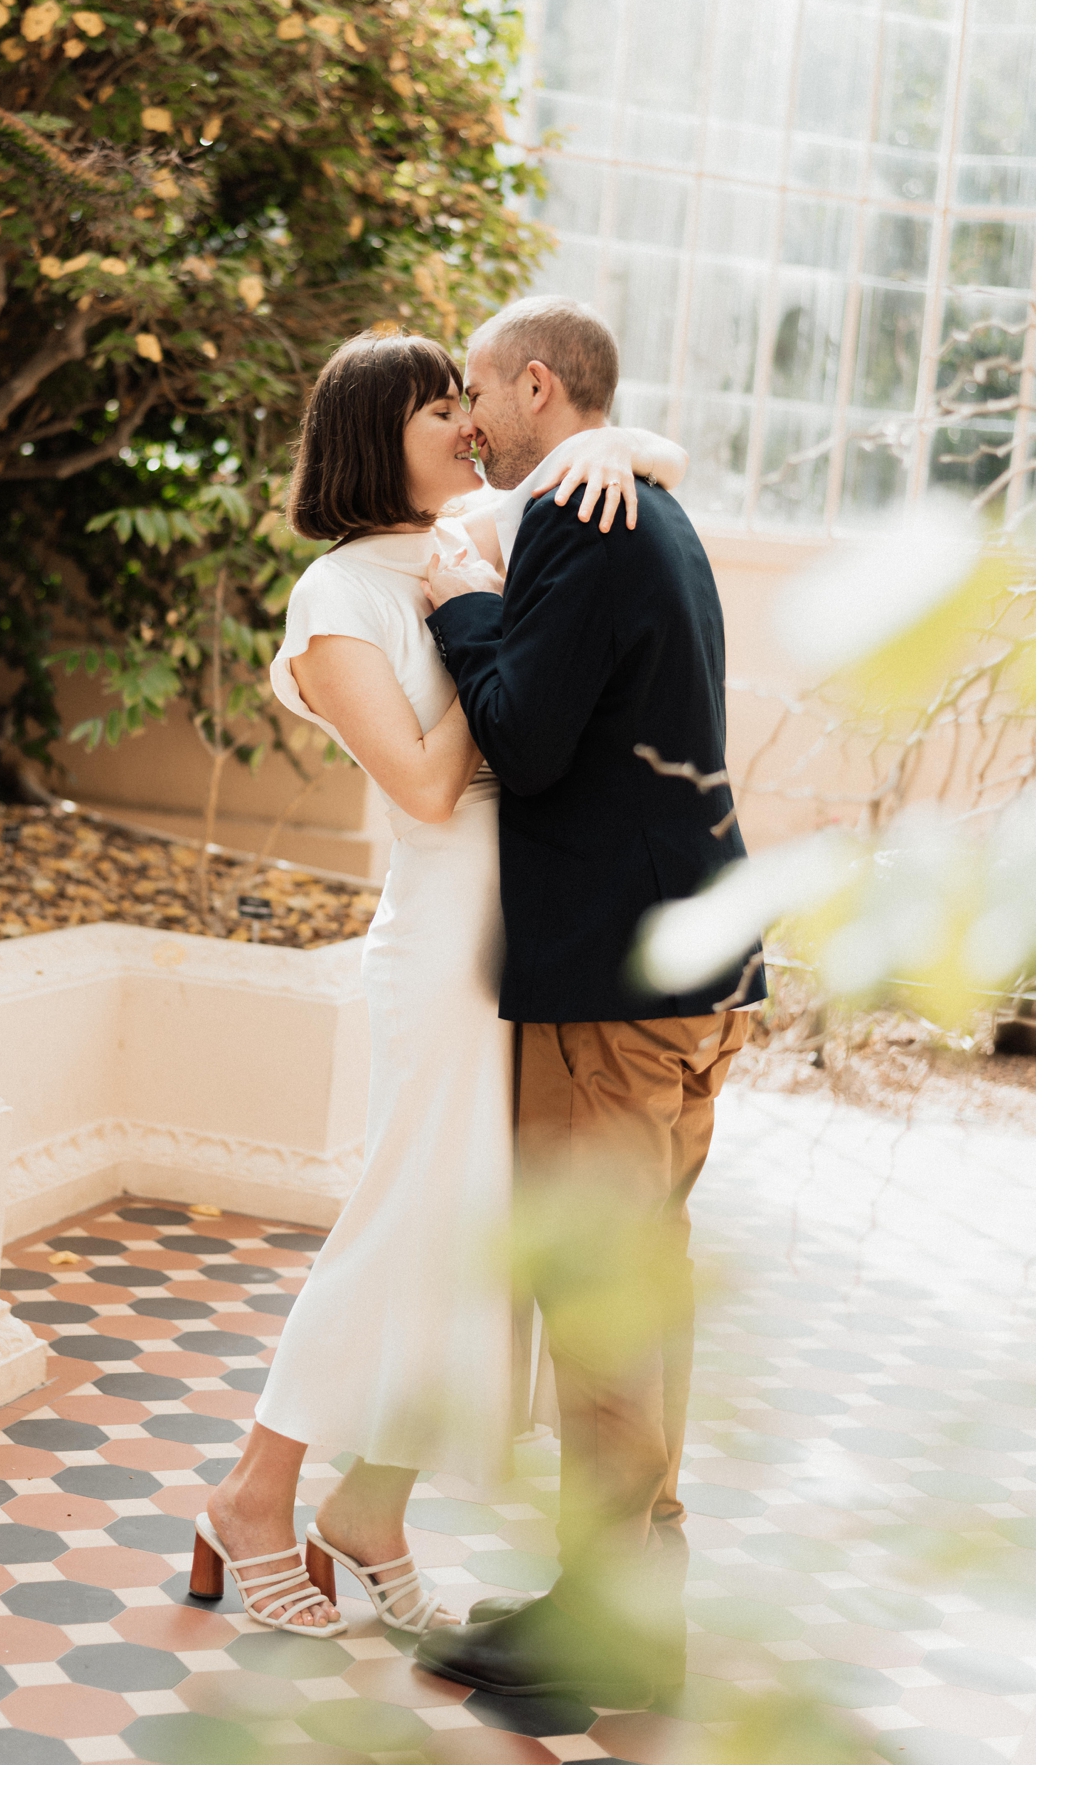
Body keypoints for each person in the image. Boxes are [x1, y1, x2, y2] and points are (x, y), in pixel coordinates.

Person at [188, 326, 690, 1636]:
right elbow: (421, 780)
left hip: (531, 958)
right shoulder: (341, 596)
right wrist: (491, 638)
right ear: (374, 433)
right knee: (398, 1224)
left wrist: (616, 450)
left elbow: (644, 452)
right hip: (435, 958)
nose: (469, 429)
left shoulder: (482, 526)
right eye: (437, 413)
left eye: (470, 408)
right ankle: (254, 1492)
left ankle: (373, 1506)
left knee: (481, 1253)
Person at [411, 293, 765, 1708]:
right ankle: (623, 1601)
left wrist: (463, 610)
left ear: (538, 387)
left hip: (614, 991)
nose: (471, 418)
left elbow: (523, 739)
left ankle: (603, 1646)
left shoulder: (579, 512)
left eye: (480, 393)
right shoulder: (646, 502)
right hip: (699, 970)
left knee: (601, 1302)